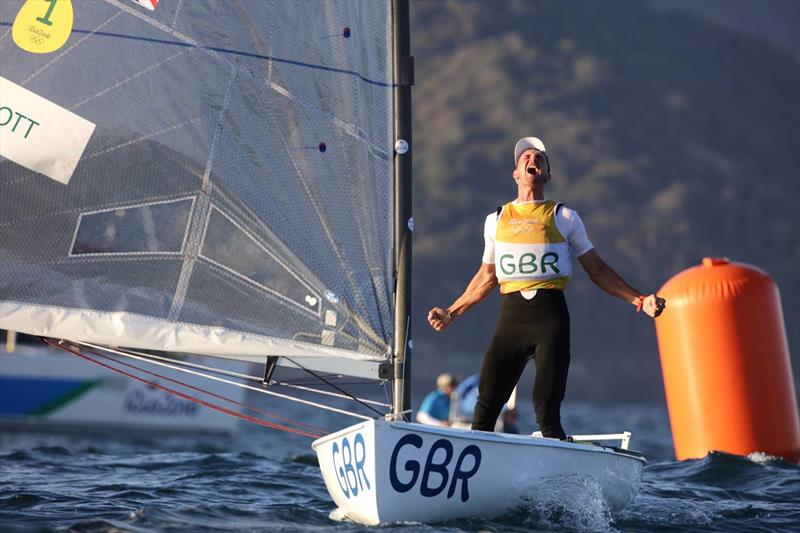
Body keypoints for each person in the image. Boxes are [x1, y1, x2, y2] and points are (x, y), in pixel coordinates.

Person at [427, 136, 666, 439]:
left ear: (548, 175)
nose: (532, 159)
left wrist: (639, 299)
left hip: (550, 321)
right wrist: (451, 312)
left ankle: (558, 477)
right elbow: (486, 277)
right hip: (511, 321)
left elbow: (597, 269)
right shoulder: (496, 220)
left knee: (547, 412)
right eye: (525, 157)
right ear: (515, 173)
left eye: (539, 158)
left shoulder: (564, 217)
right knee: (485, 408)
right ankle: (475, 473)